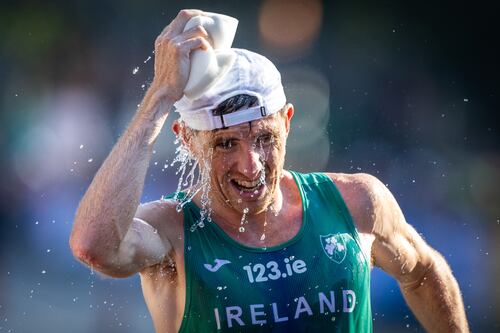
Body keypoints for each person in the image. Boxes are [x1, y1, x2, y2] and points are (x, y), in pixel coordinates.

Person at [69, 9, 469, 333]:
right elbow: (95, 247)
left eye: (265, 138)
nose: (252, 165)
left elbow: (422, 273)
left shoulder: (356, 202)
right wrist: (158, 97)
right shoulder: (173, 232)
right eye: (226, 144)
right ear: (188, 140)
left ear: (288, 122)